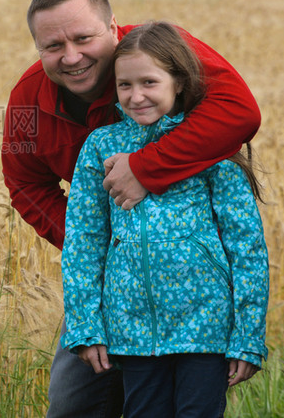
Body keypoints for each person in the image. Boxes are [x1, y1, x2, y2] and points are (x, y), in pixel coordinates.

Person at [1, 0, 261, 417]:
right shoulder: (26, 102)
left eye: (83, 37)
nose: (71, 57)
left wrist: (145, 168)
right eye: (52, 46)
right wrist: (106, 248)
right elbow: (25, 184)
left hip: (195, 294)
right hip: (112, 284)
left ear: (113, 27)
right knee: (73, 404)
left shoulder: (157, 52)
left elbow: (239, 111)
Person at [61, 21, 269, 418]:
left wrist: (248, 336)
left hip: (205, 329)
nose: (136, 96)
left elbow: (247, 248)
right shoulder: (100, 146)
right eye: (125, 86)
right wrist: (86, 326)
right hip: (132, 330)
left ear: (178, 82)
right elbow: (84, 242)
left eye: (150, 83)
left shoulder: (209, 147)